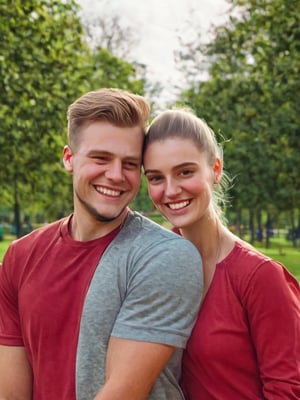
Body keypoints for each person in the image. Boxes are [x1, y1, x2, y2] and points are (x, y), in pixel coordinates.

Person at [0, 89, 203, 400]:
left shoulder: (166, 256)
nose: (116, 175)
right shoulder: (21, 256)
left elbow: (121, 394)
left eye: (130, 164)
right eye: (101, 159)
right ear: (69, 158)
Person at [143, 108, 300, 399]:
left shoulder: (261, 278)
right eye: (155, 178)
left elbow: (287, 391)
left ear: (215, 169)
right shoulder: (151, 268)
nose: (171, 190)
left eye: (185, 172)